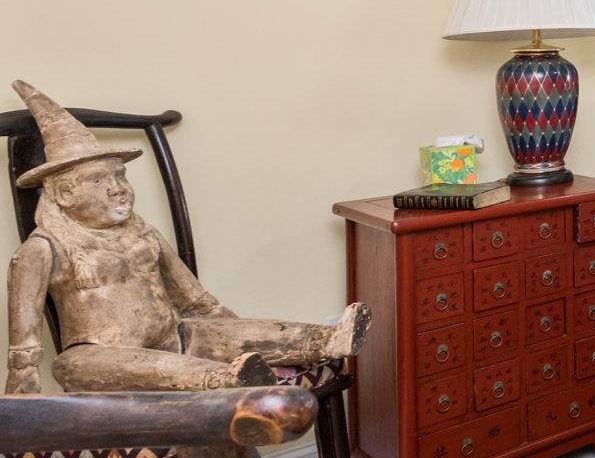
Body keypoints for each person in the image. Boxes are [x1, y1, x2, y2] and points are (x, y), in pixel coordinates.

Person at [5, 80, 368, 395]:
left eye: (120, 177)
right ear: (65, 194)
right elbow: (25, 334)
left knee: (207, 331)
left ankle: (323, 339)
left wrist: (234, 329)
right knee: (72, 365)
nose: (118, 189)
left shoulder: (142, 232)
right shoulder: (42, 249)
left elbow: (192, 297)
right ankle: (226, 378)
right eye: (99, 181)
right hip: (99, 356)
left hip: (173, 336)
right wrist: (22, 379)